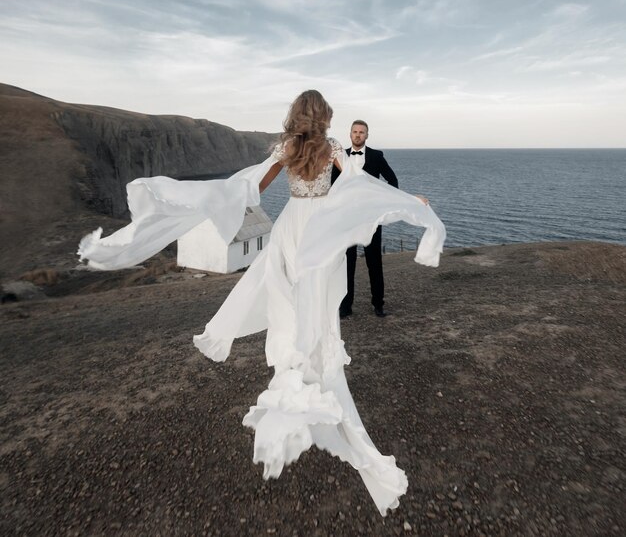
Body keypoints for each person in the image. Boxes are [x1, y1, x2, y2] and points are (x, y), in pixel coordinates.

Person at [78, 90, 446, 516]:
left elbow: (251, 188)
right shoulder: (332, 150)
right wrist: (406, 201)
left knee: (287, 296)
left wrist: (207, 197)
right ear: (324, 117)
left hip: (290, 226)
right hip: (319, 227)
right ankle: (310, 361)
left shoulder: (286, 149)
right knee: (316, 300)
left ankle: (295, 362)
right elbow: (357, 185)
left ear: (296, 116)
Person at [332, 120, 399, 319]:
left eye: (362, 132)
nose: (358, 135)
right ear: (350, 134)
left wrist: (381, 201)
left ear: (367, 135)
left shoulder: (377, 156)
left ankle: (378, 304)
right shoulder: (340, 156)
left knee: (374, 263)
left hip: (371, 218)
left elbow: (392, 180)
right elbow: (332, 185)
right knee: (347, 263)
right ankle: (345, 307)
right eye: (355, 132)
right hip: (347, 219)